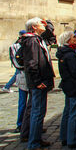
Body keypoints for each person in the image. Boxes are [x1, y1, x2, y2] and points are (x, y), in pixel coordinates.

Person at [21, 17, 55, 149]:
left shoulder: (37, 39)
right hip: (38, 82)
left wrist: (48, 25)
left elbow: (50, 36)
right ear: (34, 27)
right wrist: (37, 81)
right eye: (40, 23)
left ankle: (37, 138)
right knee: (37, 112)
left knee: (40, 111)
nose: (43, 25)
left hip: (41, 81)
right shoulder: (31, 41)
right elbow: (31, 63)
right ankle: (33, 143)